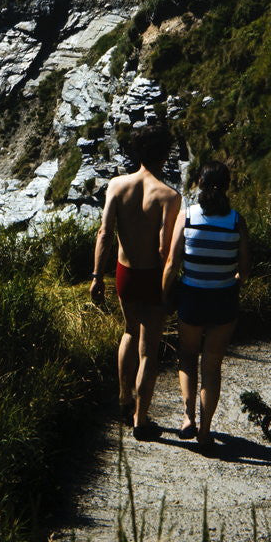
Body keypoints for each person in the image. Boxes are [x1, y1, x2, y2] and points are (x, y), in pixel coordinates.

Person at [90, 126, 181, 440]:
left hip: (124, 272)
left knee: (128, 331)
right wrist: (169, 288)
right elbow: (164, 250)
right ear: (164, 154)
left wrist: (96, 276)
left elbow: (104, 233)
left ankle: (123, 399)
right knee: (149, 350)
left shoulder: (117, 185)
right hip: (152, 276)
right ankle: (141, 421)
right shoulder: (169, 196)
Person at [162, 160, 251, 453]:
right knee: (212, 366)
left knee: (187, 357)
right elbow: (245, 269)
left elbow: (173, 263)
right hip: (223, 300)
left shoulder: (188, 217)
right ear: (227, 186)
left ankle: (187, 417)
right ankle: (205, 431)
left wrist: (165, 295)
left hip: (192, 297)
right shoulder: (237, 220)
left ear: (199, 183)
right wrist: (230, 279)